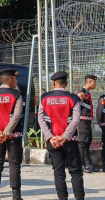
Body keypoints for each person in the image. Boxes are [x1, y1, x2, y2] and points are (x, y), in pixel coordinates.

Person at [37, 71, 84, 200]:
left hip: (52, 142)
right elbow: (76, 120)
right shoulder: (73, 98)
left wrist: (51, 137)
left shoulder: (44, 98)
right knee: (75, 172)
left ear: (53, 83)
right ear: (66, 84)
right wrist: (64, 137)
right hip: (70, 141)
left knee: (59, 173)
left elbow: (40, 119)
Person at [0, 69, 23, 200]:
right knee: (14, 164)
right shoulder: (16, 94)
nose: (17, 81)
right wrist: (7, 132)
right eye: (16, 79)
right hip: (13, 135)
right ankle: (16, 195)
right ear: (11, 80)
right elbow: (16, 116)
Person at [76, 75, 97, 173]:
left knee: (87, 142)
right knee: (82, 142)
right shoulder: (82, 92)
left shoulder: (87, 93)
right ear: (89, 82)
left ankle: (88, 164)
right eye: (94, 82)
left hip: (87, 121)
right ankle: (81, 164)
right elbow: (76, 105)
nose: (95, 84)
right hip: (82, 120)